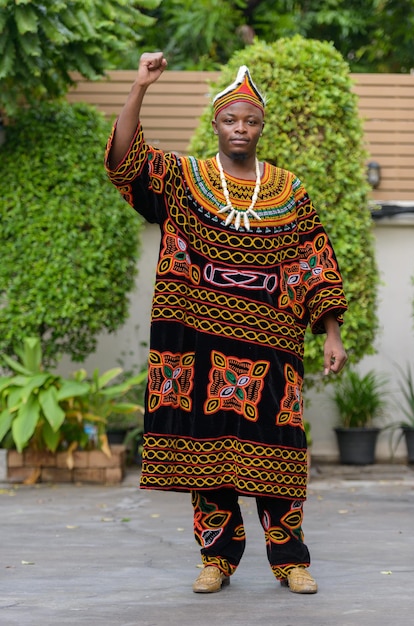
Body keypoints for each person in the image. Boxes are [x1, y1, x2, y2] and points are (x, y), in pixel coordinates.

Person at [105, 52, 348, 595]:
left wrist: (331, 332)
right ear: (215, 124)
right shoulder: (186, 179)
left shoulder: (290, 191)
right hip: (198, 341)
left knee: (279, 453)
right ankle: (217, 559)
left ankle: (290, 560)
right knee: (208, 455)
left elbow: (316, 260)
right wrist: (140, 87)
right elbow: (125, 161)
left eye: (251, 120)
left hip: (271, 345)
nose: (241, 128)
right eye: (230, 120)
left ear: (263, 127)